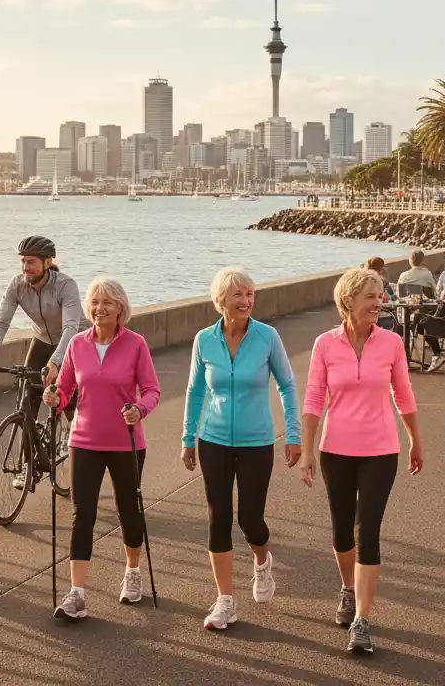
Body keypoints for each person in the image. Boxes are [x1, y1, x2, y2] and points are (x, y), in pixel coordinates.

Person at [300, 267, 422, 656]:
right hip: (335, 449)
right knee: (341, 532)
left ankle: (362, 621)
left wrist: (415, 440)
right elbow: (314, 398)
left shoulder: (390, 343)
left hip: (380, 449)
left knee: (365, 532)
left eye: (381, 295)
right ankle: (348, 588)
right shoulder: (324, 344)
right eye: (371, 296)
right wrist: (306, 449)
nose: (379, 302)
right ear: (347, 301)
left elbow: (403, 393)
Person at [182, 268, 302, 631]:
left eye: (250, 294)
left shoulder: (267, 337)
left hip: (256, 442)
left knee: (250, 520)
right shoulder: (204, 340)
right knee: (218, 519)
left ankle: (262, 561)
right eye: (239, 295)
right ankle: (225, 601)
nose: (247, 300)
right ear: (221, 300)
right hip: (213, 440)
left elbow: (286, 385)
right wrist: (189, 438)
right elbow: (194, 391)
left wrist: (293, 434)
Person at [43, 277, 160, 617]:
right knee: (83, 515)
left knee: (128, 510)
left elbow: (151, 389)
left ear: (121, 308)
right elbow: (64, 389)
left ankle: (133, 573)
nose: (98, 309)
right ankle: (76, 594)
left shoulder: (136, 344)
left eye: (107, 302)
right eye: (94, 302)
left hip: (126, 442)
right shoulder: (78, 345)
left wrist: (140, 409)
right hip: (84, 440)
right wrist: (55, 397)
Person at [0, 236, 82, 482]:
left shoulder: (65, 286)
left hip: (72, 343)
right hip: (42, 341)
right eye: (22, 262)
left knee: (70, 406)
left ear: (47, 263)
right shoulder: (17, 285)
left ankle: (81, 454)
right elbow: (1, 322)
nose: (25, 267)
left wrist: (56, 363)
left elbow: (71, 328)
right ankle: (29, 465)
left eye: (31, 262)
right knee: (27, 404)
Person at [364, 257, 397, 331]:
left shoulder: (362, 285)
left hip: (367, 319)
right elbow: (394, 300)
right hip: (385, 318)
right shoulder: (386, 285)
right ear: (381, 269)